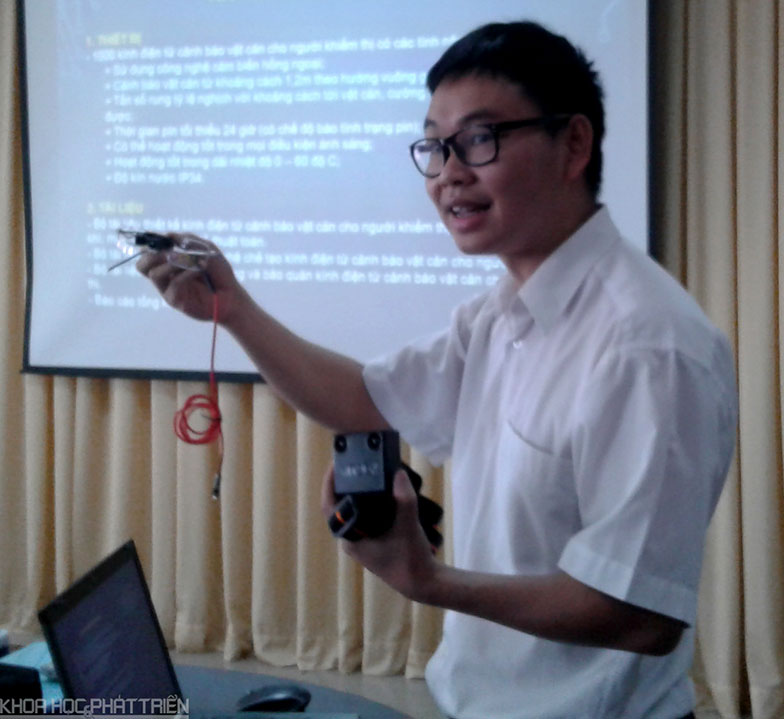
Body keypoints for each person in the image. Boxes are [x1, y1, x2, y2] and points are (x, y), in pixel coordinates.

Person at [138, 21, 737, 719]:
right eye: (435, 146)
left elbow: (639, 614)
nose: (449, 172)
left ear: (574, 144)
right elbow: (364, 400)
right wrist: (233, 308)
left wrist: (429, 581)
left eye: (479, 139)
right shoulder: (501, 312)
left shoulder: (648, 344)